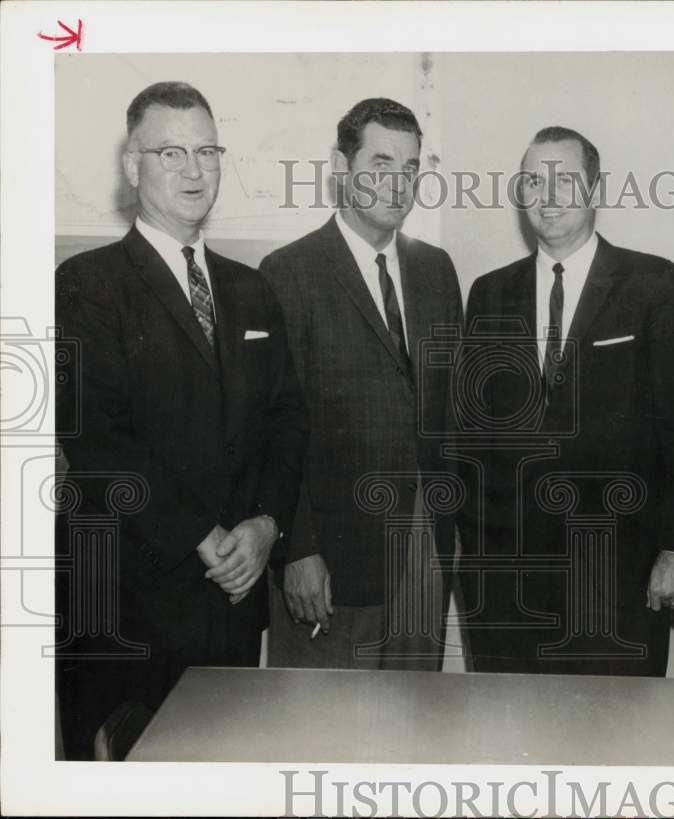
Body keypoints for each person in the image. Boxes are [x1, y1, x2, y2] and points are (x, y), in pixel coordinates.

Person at [55, 81, 308, 759]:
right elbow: (96, 437)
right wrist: (203, 535)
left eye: (208, 151)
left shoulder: (252, 287)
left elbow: (288, 420)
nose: (195, 171)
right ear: (132, 166)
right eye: (172, 153)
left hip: (233, 599)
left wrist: (266, 525)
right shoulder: (87, 283)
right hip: (126, 605)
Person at [457, 126, 674, 675]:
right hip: (510, 583)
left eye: (564, 181)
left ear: (595, 190)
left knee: (615, 743)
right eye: (532, 182)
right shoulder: (488, 292)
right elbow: (471, 444)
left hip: (620, 572)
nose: (547, 197)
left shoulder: (653, 284)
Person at [260, 98, 463, 670]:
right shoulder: (287, 273)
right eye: (380, 164)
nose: (398, 184)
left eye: (410, 168)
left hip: (425, 546)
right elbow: (274, 429)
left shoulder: (437, 270)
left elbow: (450, 417)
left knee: (417, 732)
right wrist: (298, 549)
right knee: (325, 732)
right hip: (329, 556)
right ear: (341, 167)